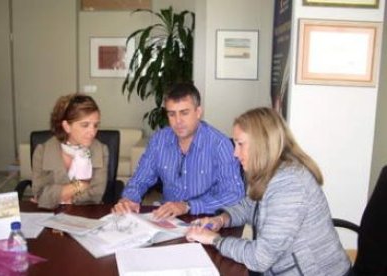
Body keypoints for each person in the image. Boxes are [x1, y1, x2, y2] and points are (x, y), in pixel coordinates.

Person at [186, 107, 351, 275]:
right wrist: (222, 219)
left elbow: (260, 258)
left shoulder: (289, 184)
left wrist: (215, 240)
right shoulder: (270, 173)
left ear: (262, 144)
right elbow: (249, 206)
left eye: (240, 144)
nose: (235, 153)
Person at [112, 83, 245, 219]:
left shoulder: (220, 145)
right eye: (172, 114)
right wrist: (128, 199)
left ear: (198, 112)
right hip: (169, 219)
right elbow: (140, 179)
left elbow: (234, 195)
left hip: (207, 219)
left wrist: (188, 206)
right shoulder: (159, 140)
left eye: (184, 113)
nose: (178, 121)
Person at [32, 94, 108, 209]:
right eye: (85, 125)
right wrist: (80, 185)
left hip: (87, 214)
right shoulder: (42, 151)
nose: (92, 132)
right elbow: (40, 194)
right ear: (67, 126)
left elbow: (96, 195)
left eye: (95, 125)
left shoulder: (101, 150)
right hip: (51, 216)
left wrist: (61, 198)